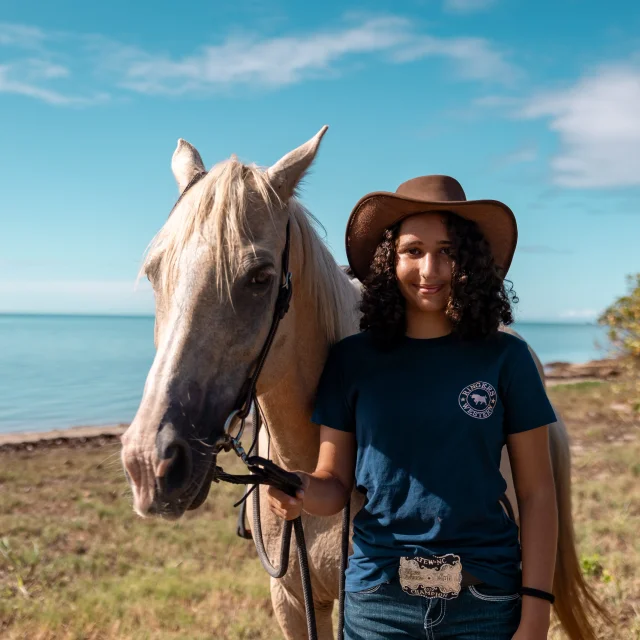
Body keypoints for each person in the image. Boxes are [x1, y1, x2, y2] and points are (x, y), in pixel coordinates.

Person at [267, 175, 558, 640]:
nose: (430, 269)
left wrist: (537, 609)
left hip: (485, 603)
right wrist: (300, 487)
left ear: (470, 260)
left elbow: (538, 494)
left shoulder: (507, 359)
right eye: (413, 251)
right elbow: (334, 485)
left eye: (447, 251)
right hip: (377, 606)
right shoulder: (352, 361)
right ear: (389, 259)